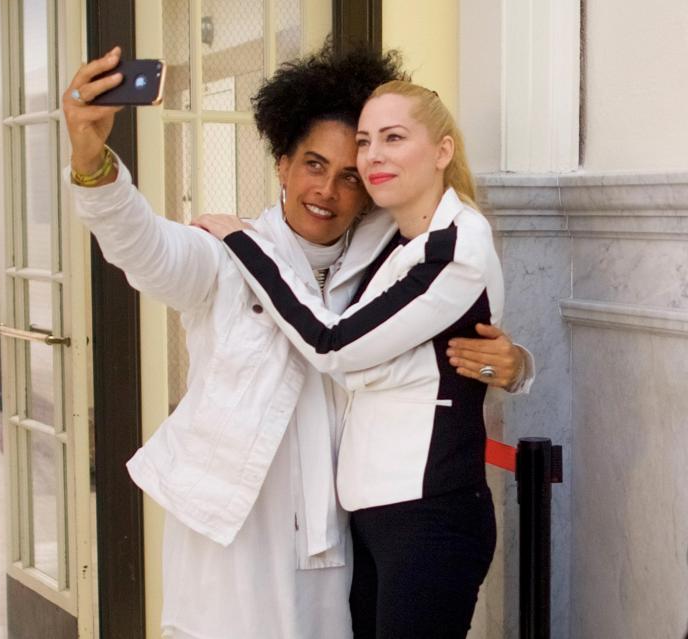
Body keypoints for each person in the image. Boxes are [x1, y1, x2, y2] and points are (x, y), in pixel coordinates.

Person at [63, 45, 529, 639]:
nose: (328, 190)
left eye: (349, 176)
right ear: (282, 164)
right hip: (235, 532)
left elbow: (448, 342)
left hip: (340, 533)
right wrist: (92, 159)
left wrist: (514, 365)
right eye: (313, 165)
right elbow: (142, 247)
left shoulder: (394, 264)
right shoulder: (226, 255)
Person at [195, 80, 508, 638]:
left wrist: (245, 244)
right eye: (366, 142)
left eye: (393, 137)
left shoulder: (454, 250)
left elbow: (329, 343)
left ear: (442, 151)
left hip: (429, 513)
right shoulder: (389, 236)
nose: (373, 157)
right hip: (372, 516)